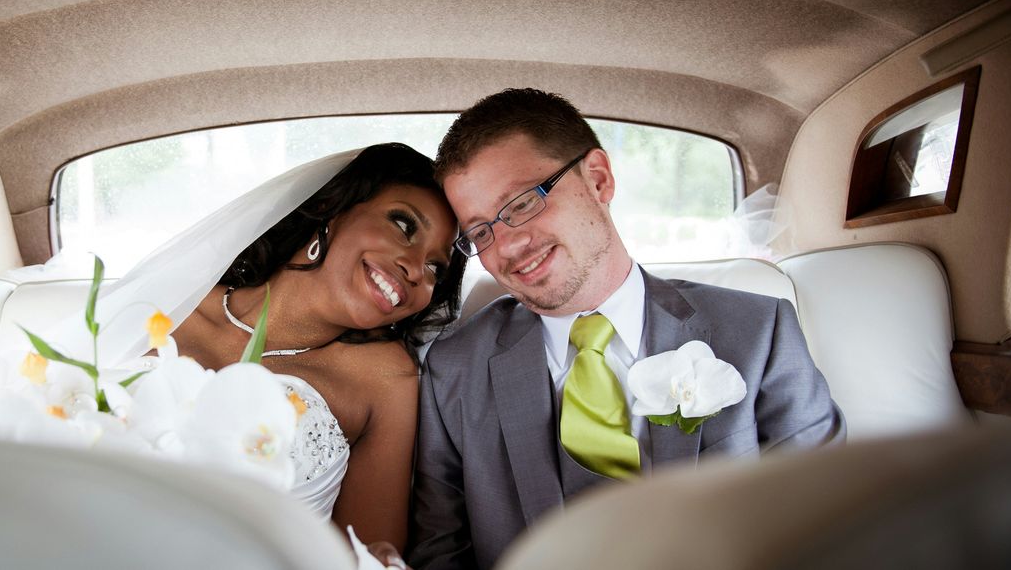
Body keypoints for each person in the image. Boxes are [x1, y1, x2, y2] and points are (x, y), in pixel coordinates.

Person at [406, 89, 844, 570]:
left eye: (522, 204)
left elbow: (827, 522)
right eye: (480, 232)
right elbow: (440, 551)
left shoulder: (758, 332)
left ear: (597, 179)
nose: (508, 246)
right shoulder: (453, 370)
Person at [159, 142, 467, 550]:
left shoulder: (386, 379)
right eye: (404, 225)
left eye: (435, 268)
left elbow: (371, 555)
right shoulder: (172, 305)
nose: (415, 269)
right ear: (333, 209)